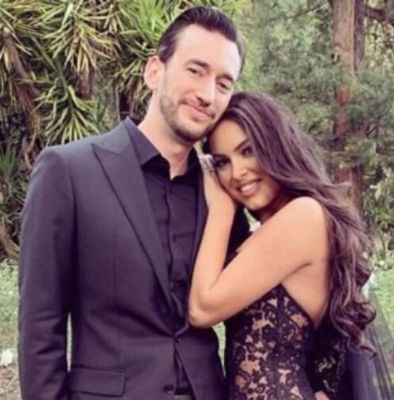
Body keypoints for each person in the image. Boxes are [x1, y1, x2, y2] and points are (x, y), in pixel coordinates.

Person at [18, 7, 249, 400]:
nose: (207, 95)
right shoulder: (69, 172)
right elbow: (40, 326)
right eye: (195, 71)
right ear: (154, 71)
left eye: (223, 83)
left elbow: (258, 301)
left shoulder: (223, 191)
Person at [189, 91, 376, 400]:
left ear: (276, 146)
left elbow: (202, 308)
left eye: (248, 151)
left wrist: (221, 209)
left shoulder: (303, 215)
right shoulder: (281, 226)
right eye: (222, 163)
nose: (237, 173)